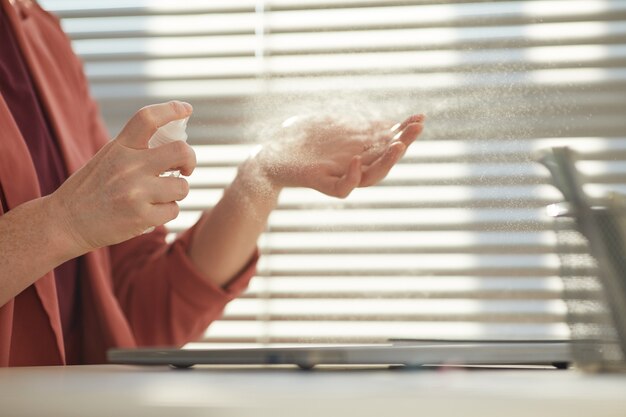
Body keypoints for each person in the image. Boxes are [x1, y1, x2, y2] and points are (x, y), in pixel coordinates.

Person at [0, 0, 424, 366]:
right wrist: (62, 224)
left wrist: (263, 173)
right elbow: (73, 225)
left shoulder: (41, 36)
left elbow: (133, 311)